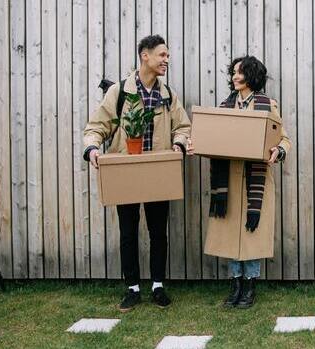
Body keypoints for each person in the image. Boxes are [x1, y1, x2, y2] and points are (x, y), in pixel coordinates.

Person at [82, 34, 192, 312]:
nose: (166, 60)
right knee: (128, 232)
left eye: (167, 56)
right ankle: (131, 288)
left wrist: (179, 144)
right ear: (145, 56)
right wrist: (93, 149)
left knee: (158, 232)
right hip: (126, 173)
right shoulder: (119, 92)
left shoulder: (168, 95)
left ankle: (157, 286)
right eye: (162, 55)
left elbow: (183, 126)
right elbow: (97, 126)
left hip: (157, 172)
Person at [203, 56, 292, 309]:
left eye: (239, 72)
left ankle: (250, 285)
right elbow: (214, 137)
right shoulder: (224, 106)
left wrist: (278, 151)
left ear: (251, 75)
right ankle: (236, 284)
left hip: (256, 180)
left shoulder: (267, 105)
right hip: (229, 178)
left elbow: (283, 138)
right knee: (232, 233)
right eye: (233, 72)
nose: (234, 77)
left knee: (251, 233)